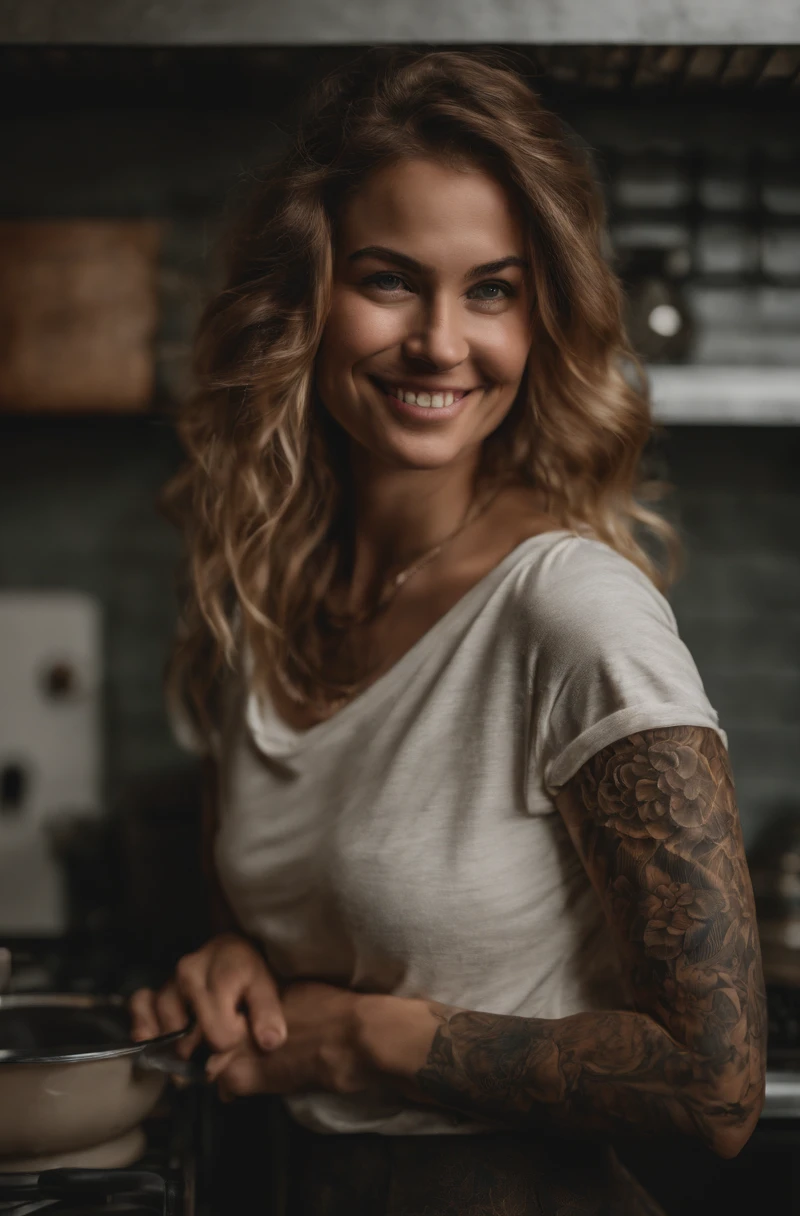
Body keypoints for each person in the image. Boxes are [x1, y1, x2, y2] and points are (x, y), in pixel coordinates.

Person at [130, 48, 766, 1214]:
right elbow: (281, 906)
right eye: (388, 279)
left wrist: (360, 1041)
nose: (439, 342)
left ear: (543, 314)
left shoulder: (571, 611)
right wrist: (234, 964)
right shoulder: (266, 593)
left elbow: (715, 1087)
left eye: (491, 289)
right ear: (307, 296)